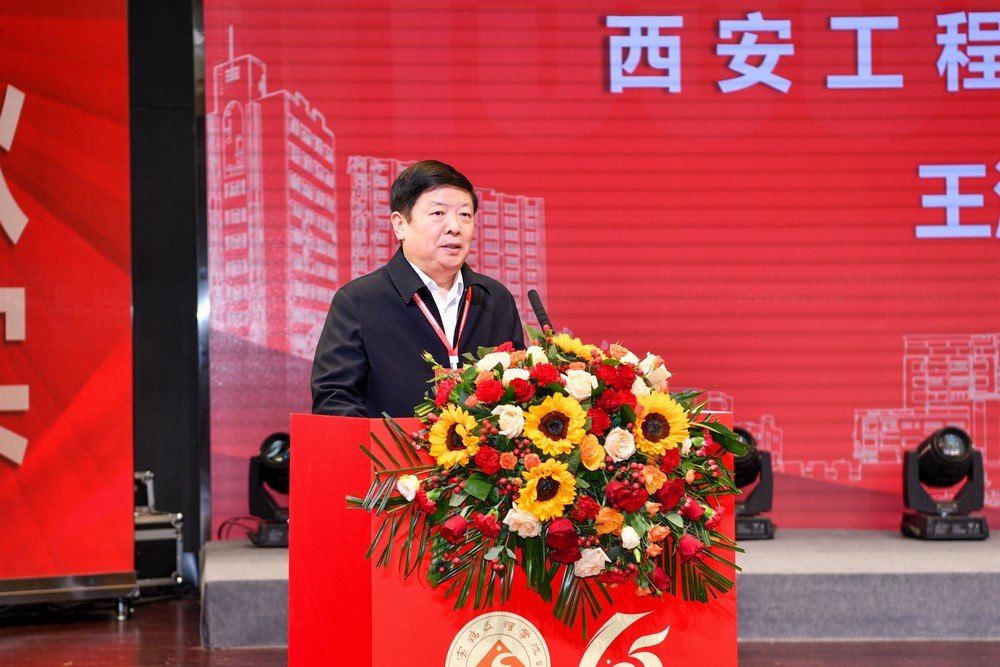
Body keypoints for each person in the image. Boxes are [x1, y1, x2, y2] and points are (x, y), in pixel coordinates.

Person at [311, 160, 525, 417]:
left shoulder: (495, 299)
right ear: (400, 225)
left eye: (465, 215)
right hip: (392, 445)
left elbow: (520, 389)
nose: (455, 227)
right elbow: (334, 400)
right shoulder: (359, 301)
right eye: (438, 213)